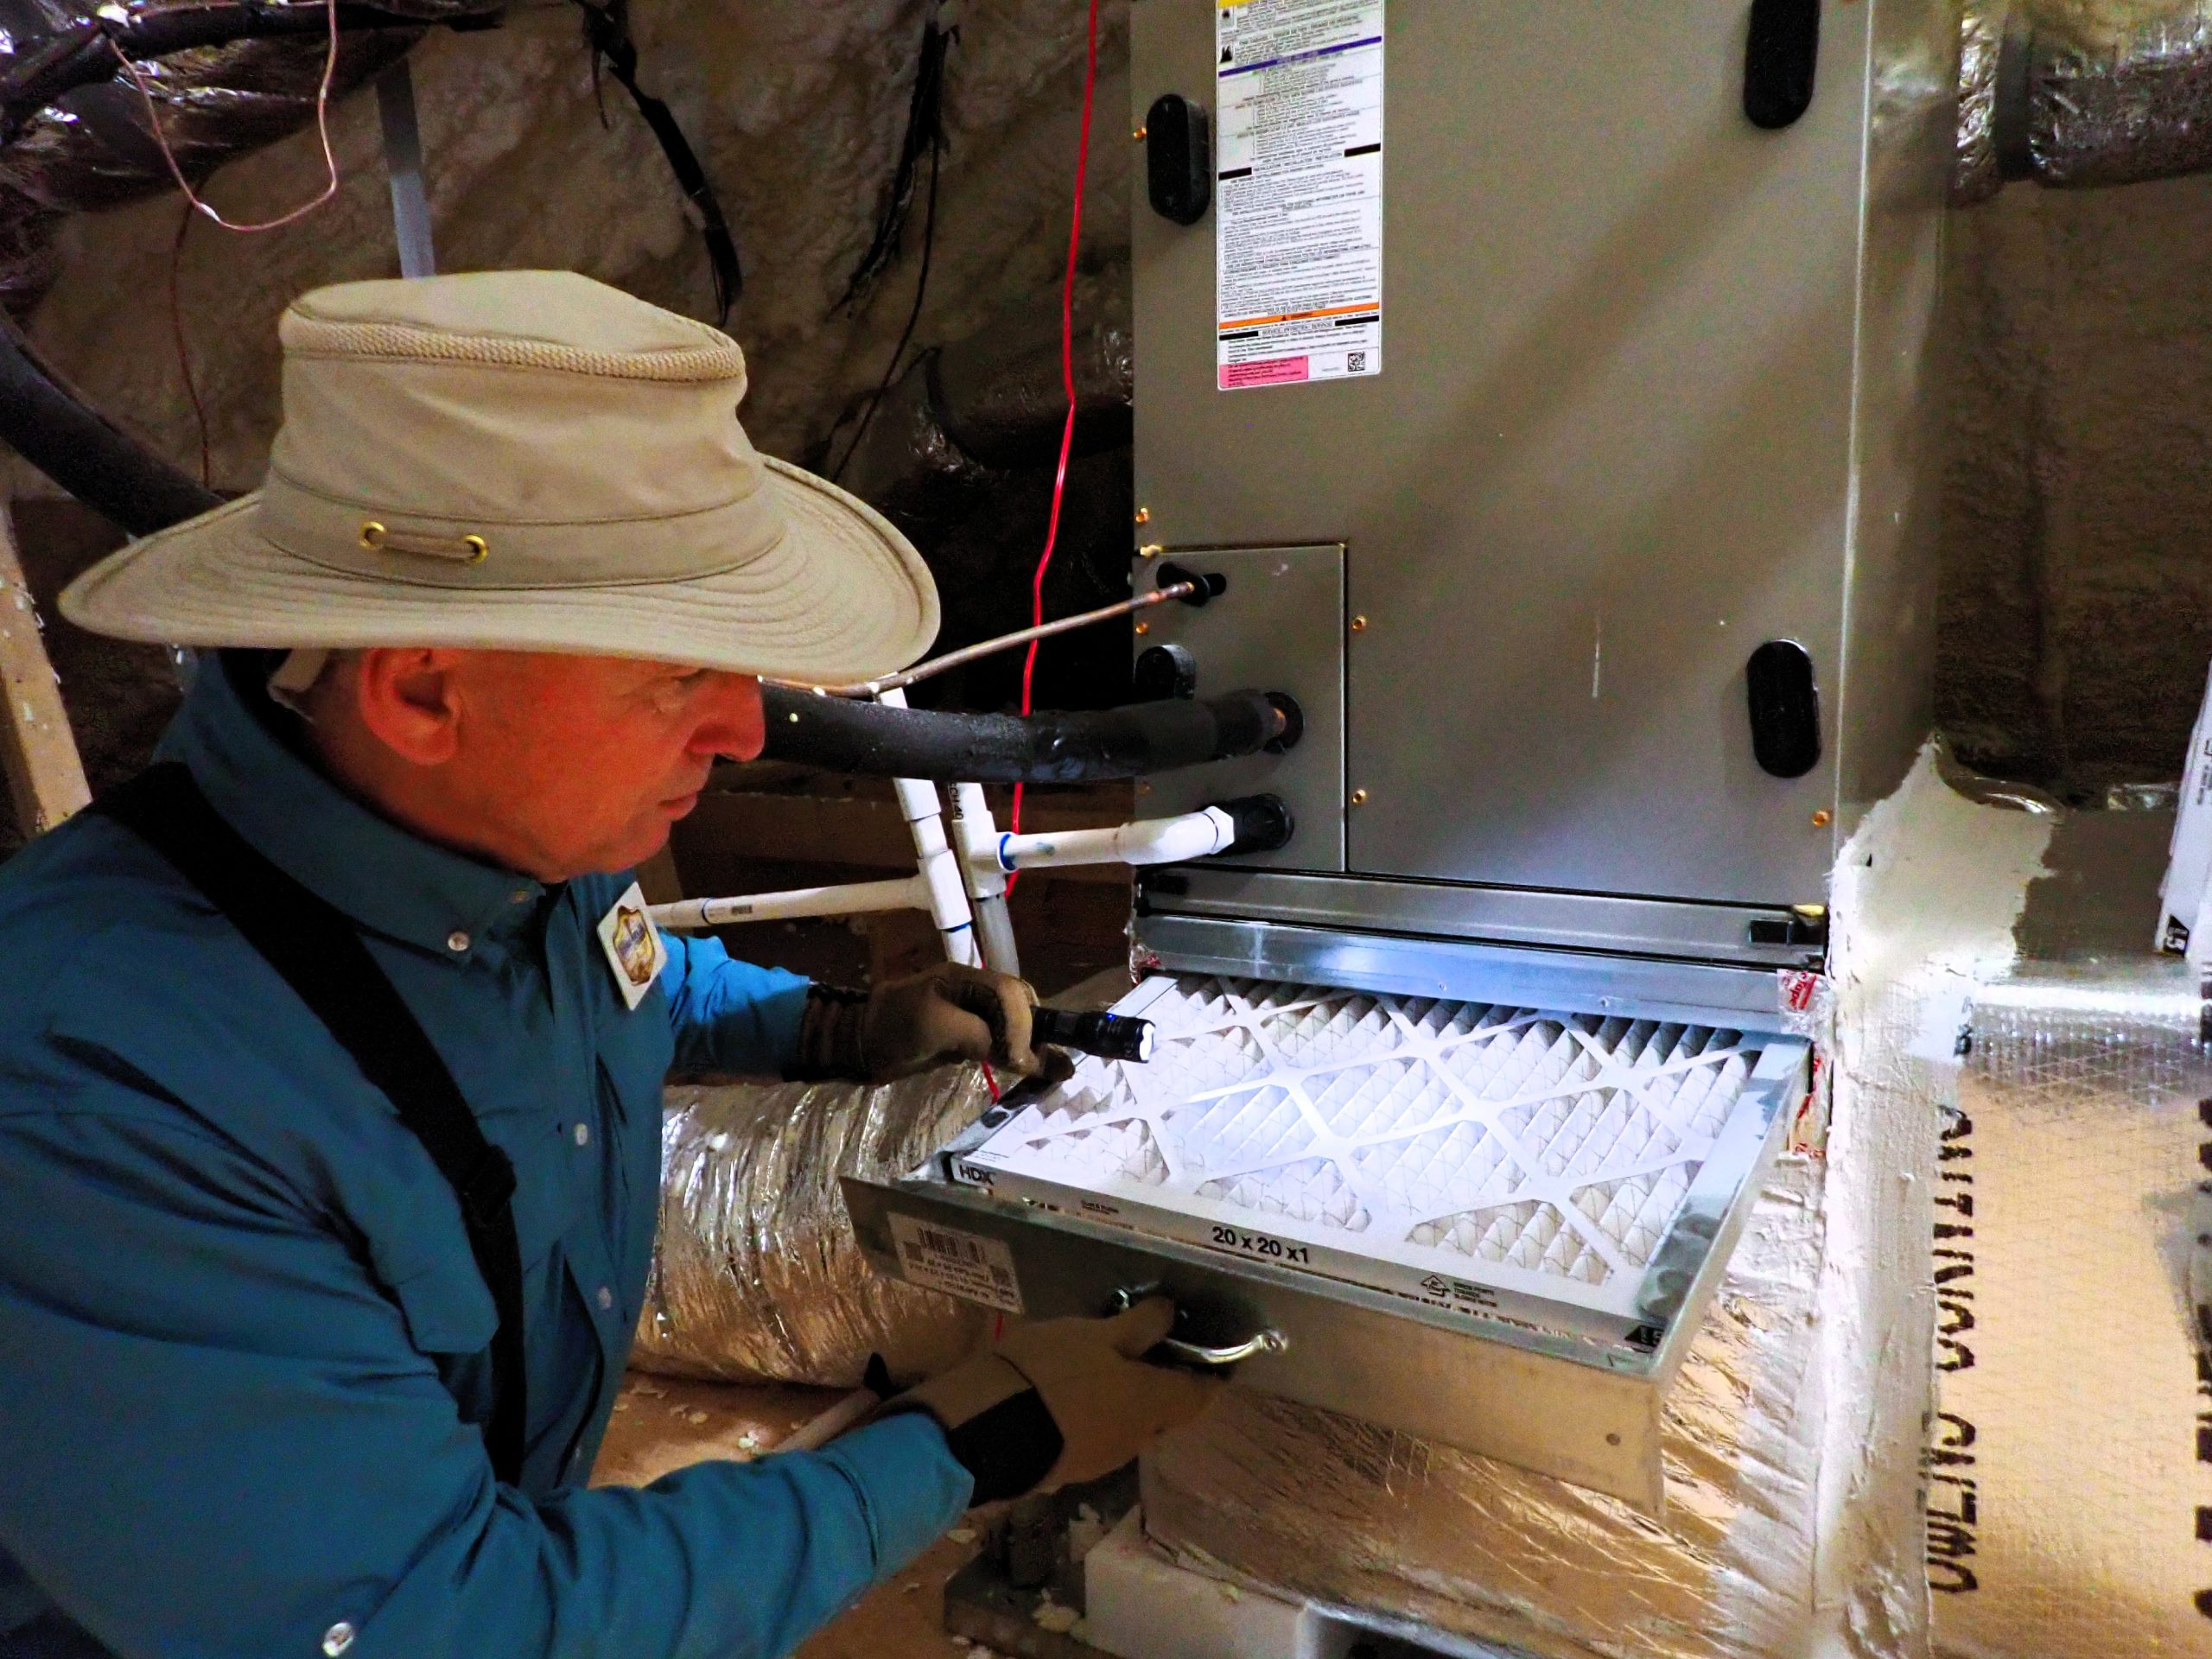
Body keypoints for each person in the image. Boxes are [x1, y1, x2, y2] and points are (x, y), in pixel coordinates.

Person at [0, 270, 1217, 1659]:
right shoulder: (91, 1100)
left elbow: (604, 979)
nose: (749, 731)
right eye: (680, 674)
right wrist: (965, 1444)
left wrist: (835, 1029)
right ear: (420, 692)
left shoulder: (502, 836)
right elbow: (456, 1624)